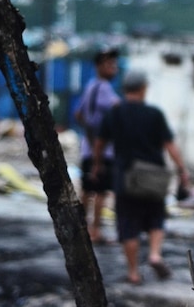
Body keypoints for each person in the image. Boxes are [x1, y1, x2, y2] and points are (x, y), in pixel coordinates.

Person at [92, 69, 190, 284]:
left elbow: (100, 143)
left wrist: (97, 165)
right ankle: (155, 254)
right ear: (144, 88)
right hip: (154, 175)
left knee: (128, 224)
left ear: (125, 89)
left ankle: (134, 272)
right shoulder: (154, 114)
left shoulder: (114, 114)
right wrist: (182, 170)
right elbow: (170, 145)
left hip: (125, 176)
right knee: (156, 217)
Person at [73, 48, 120, 244]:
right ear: (99, 66)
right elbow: (115, 110)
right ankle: (95, 231)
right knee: (100, 191)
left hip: (88, 148)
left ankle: (81, 229)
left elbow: (78, 114)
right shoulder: (104, 89)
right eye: (110, 65)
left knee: (87, 190)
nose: (114, 69)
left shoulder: (91, 86)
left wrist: (89, 134)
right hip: (102, 151)